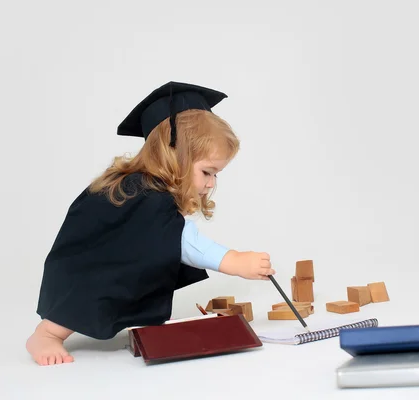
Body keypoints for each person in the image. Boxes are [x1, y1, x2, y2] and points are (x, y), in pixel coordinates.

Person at [26, 81, 275, 366]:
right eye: (208, 172)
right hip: (86, 265)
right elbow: (182, 240)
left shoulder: (141, 189)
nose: (211, 183)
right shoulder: (148, 197)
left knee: (118, 286)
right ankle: (46, 334)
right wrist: (235, 261)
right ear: (174, 155)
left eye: (216, 175)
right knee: (79, 299)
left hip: (109, 262)